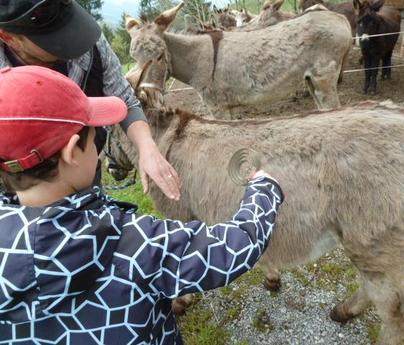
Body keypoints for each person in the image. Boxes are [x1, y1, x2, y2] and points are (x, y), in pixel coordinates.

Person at [0, 66, 284, 344]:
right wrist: (264, 190)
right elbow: (233, 248)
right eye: (95, 134)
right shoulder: (133, 245)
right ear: (73, 151)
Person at [0, 0, 181, 200]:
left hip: (83, 170)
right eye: (52, 38)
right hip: (21, 189)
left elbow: (124, 97)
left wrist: (147, 147)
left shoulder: (89, 42)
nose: (70, 40)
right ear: (8, 37)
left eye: (69, 26)